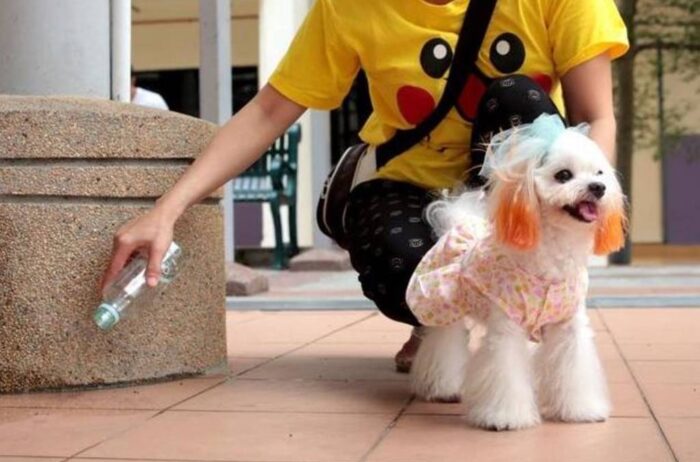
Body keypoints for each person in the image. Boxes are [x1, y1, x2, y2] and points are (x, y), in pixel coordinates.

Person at [103, 0, 629, 373]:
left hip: (516, 190)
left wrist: (576, 225)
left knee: (519, 97)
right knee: (405, 271)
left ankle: (525, 297)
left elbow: (593, 118)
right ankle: (433, 320)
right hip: (407, 192)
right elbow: (268, 110)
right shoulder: (351, 5)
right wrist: (166, 209)